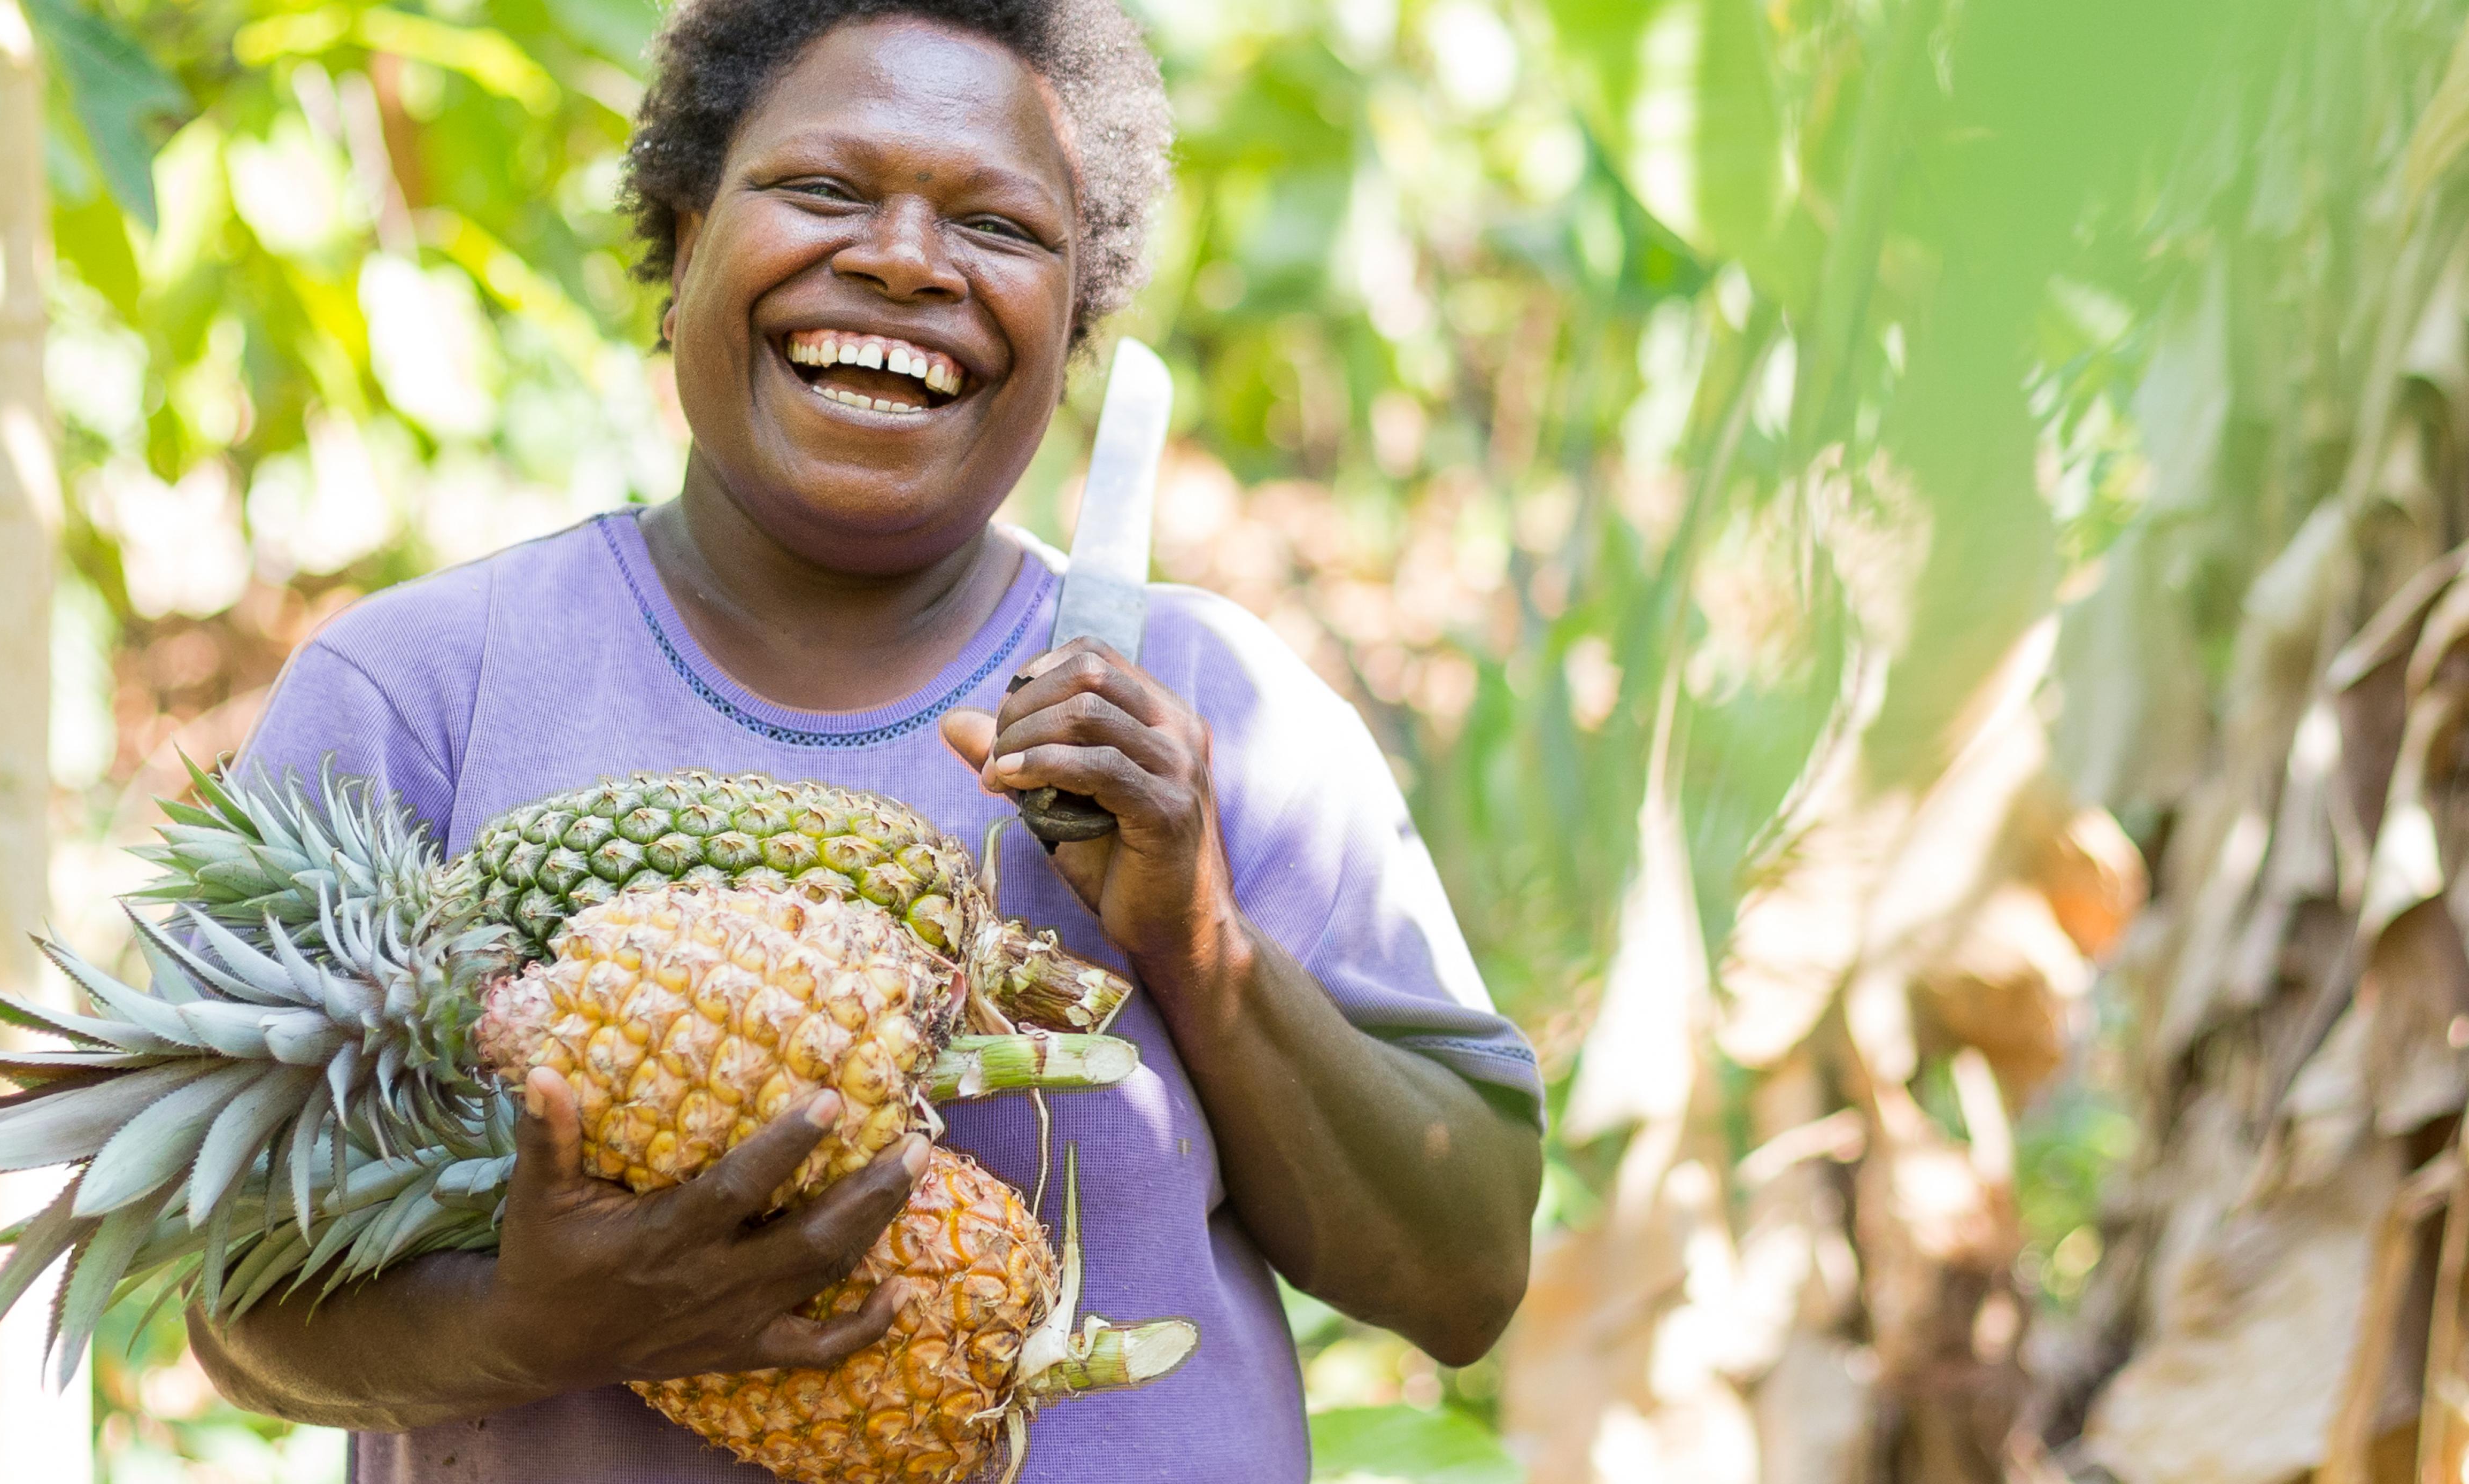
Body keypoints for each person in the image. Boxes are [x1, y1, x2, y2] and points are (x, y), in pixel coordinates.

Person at [181, 2, 1546, 1476]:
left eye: (1000, 226)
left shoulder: (1213, 704)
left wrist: (1199, 941)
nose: (903, 259)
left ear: (1073, 319)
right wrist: (535, 1327)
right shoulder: (425, 691)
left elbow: (1461, 1277)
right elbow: (231, 1294)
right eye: (825, 190)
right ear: (687, 238)